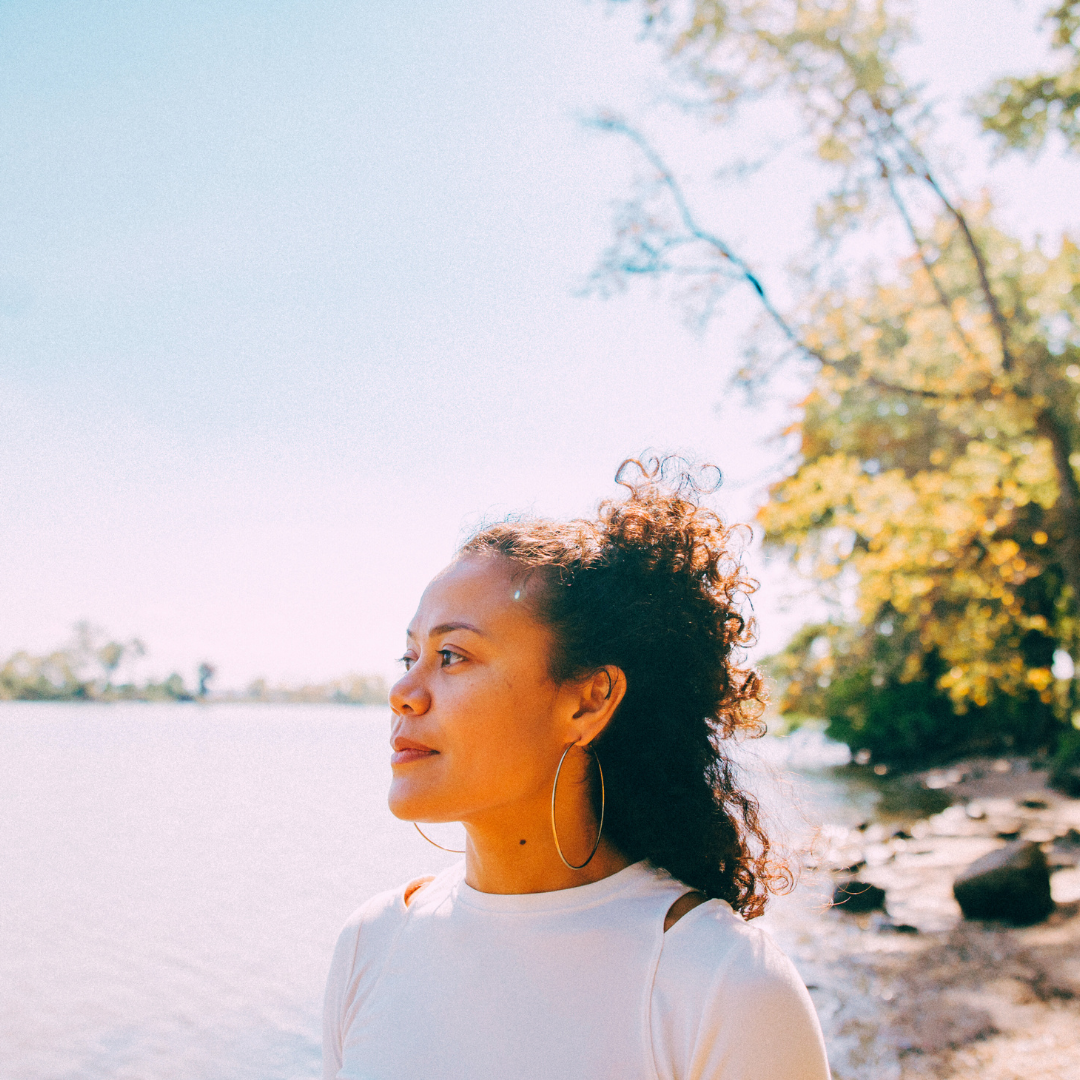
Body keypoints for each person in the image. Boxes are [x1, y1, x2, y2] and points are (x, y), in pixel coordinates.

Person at [323, 458, 831, 1080]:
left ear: (589, 700)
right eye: (410, 654)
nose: (404, 690)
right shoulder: (371, 945)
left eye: (450, 656)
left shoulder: (722, 985)